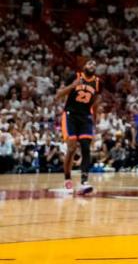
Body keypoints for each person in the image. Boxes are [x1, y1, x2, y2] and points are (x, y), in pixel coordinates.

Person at [54, 58, 100, 195]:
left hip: (85, 117)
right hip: (70, 115)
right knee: (72, 148)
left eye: (95, 64)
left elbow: (96, 102)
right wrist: (73, 85)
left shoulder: (97, 82)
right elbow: (58, 95)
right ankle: (67, 178)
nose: (92, 65)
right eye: (90, 63)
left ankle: (84, 182)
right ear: (85, 66)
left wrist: (95, 119)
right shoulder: (75, 76)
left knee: (86, 147)